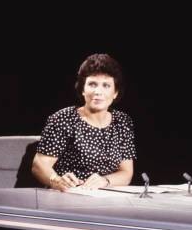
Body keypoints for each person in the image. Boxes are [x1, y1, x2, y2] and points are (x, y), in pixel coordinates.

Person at [32, 54, 136, 191]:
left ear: (115, 92)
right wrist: (57, 181)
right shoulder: (64, 118)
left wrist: (105, 180)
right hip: (69, 194)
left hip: (108, 197)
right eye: (92, 84)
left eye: (106, 85)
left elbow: (126, 173)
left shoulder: (122, 122)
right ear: (83, 89)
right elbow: (39, 165)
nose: (98, 91)